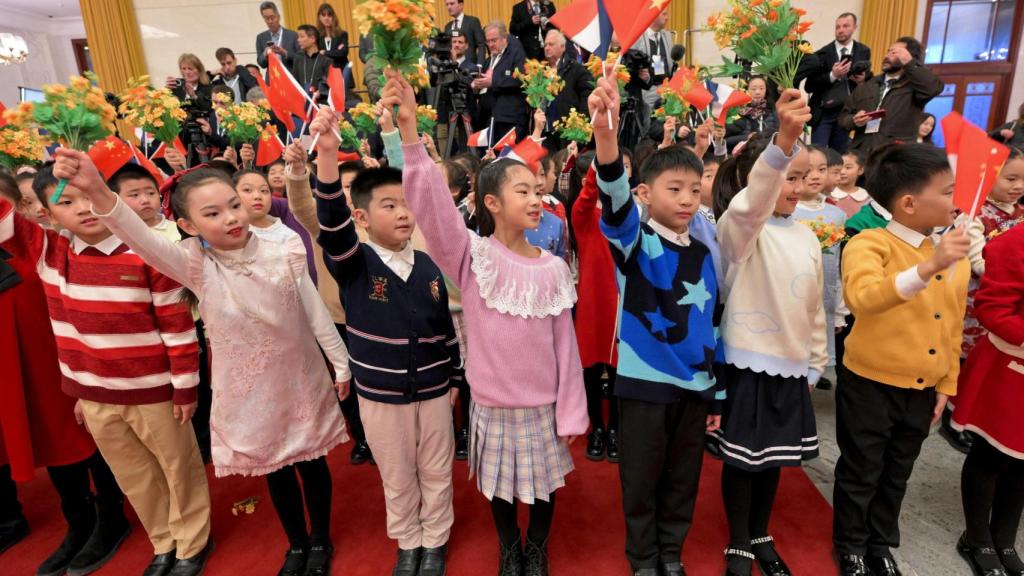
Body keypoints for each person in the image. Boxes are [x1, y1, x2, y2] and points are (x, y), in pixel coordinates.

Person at [75, 154, 351, 576]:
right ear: (187, 225)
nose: (230, 218)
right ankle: (295, 543)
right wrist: (98, 193)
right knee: (274, 466)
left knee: (311, 461)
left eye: (234, 205)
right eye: (212, 214)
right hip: (250, 390)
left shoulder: (284, 246)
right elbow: (137, 236)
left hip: (301, 377)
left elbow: (313, 308)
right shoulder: (193, 263)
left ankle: (320, 540)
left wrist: (340, 362)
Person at [392, 67, 587, 576]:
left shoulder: (552, 269)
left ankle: (537, 548)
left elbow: (565, 346)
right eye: (521, 190)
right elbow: (432, 209)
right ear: (492, 203)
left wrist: (570, 412)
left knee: (543, 491)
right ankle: (509, 548)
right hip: (493, 406)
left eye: (537, 189)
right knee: (501, 489)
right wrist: (411, 135)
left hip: (542, 406)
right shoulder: (471, 257)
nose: (536, 197)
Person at [1, 165, 213, 576]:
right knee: (133, 474)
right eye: (65, 202)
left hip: (154, 391)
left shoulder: (146, 250)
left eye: (89, 196)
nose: (82, 208)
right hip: (95, 395)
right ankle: (163, 541)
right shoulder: (50, 253)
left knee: (178, 469)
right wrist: (80, 391)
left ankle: (192, 542)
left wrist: (185, 388)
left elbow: (178, 327)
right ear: (44, 213)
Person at [310, 104, 460, 576]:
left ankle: (435, 539)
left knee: (437, 468)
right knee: (396, 473)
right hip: (379, 393)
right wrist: (328, 157)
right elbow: (331, 224)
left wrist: (454, 377)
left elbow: (446, 330)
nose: (402, 213)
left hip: (435, 389)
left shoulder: (430, 266)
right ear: (361, 215)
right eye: (389, 205)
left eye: (407, 204)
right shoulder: (354, 263)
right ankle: (409, 539)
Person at [592, 71, 724, 576]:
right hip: (645, 384)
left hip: (695, 386)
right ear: (646, 192)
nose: (688, 198)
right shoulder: (636, 241)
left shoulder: (707, 250)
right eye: (675, 188)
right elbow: (615, 203)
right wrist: (606, 137)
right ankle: (644, 558)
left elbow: (711, 325)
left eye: (695, 188)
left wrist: (716, 393)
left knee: (683, 480)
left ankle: (672, 552)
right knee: (642, 479)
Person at [833, 144, 969, 576]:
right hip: (870, 382)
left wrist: (946, 384)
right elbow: (865, 298)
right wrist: (929, 267)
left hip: (922, 387)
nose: (955, 200)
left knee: (898, 470)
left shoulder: (950, 251)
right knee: (861, 467)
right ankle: (851, 542)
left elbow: (952, 323)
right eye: (946, 192)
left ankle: (879, 540)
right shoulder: (870, 243)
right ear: (909, 203)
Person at [710, 92, 822, 576]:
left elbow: (816, 305)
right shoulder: (741, 229)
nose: (796, 188)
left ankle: (760, 530)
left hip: (793, 365)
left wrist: (816, 361)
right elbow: (752, 204)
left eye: (801, 178)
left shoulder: (808, 235)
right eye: (788, 177)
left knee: (774, 460)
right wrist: (784, 143)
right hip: (748, 362)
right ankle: (738, 537)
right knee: (743, 460)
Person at [0, 173, 131, 576]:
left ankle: (111, 517)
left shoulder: (38, 243)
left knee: (86, 440)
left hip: (67, 365)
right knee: (55, 447)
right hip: (20, 373)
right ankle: (80, 523)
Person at [950, 222, 1024, 576]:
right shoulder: (1014, 242)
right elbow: (992, 308)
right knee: (992, 454)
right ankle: (977, 537)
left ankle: (1005, 538)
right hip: (1010, 364)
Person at [570, 161, 619, 464]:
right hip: (590, 304)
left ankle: (614, 428)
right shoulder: (585, 219)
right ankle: (596, 429)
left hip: (619, 303)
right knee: (589, 368)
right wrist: (595, 169)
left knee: (617, 369)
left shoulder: (629, 216)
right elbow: (585, 199)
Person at [794, 145, 849, 386]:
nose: (815, 175)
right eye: (807, 170)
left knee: (814, 358)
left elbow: (837, 264)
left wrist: (838, 309)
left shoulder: (836, 214)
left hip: (824, 294)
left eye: (821, 169)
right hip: (794, 294)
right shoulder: (788, 210)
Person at [840, 37, 943, 155]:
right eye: (888, 51)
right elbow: (843, 117)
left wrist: (910, 63)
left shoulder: (914, 87)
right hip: (863, 154)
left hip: (895, 156)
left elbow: (933, 88)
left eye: (895, 52)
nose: (887, 55)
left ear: (909, 57)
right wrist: (854, 121)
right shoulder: (869, 84)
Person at [805, 13, 871, 152]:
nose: (840, 30)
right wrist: (833, 75)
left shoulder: (864, 51)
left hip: (848, 112)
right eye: (837, 27)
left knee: (841, 156)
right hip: (824, 112)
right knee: (819, 153)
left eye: (845, 26)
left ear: (854, 27)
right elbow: (809, 85)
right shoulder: (822, 53)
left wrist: (862, 79)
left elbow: (869, 78)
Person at [472, 22, 529, 144]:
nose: (491, 44)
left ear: (504, 38)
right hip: (488, 119)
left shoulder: (516, 54)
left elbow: (521, 79)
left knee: (508, 160)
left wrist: (493, 82)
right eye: (488, 41)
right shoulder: (489, 60)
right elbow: (486, 84)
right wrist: (477, 86)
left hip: (509, 119)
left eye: (494, 40)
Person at [541, 30, 593, 151]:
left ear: (562, 47)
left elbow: (587, 97)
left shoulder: (576, 69)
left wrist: (580, 125)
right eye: (545, 45)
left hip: (568, 132)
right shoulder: (541, 72)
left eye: (551, 44)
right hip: (546, 132)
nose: (547, 48)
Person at [634, 10, 675, 113]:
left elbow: (671, 62)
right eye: (664, 14)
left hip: (667, 90)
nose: (667, 18)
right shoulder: (638, 37)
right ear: (653, 16)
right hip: (647, 92)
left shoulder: (667, 35)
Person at [725, 76, 779, 151]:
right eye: (753, 89)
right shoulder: (737, 111)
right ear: (746, 90)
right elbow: (724, 141)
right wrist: (747, 137)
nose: (758, 92)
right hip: (744, 156)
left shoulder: (773, 111)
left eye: (761, 88)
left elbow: (779, 135)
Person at [256, 1, 299, 68]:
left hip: (289, 75)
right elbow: (261, 63)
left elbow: (300, 58)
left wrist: (284, 53)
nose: (270, 21)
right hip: (272, 76)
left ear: (278, 17)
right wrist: (265, 53)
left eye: (272, 17)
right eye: (266, 18)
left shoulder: (293, 35)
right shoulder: (261, 38)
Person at [444, 0, 486, 65]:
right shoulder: (447, 26)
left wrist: (479, 65)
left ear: (461, 5)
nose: (449, 7)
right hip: (451, 68)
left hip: (470, 68)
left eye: (452, 4)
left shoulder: (473, 22)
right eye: (447, 4)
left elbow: (481, 45)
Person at [291, 25, 328, 97]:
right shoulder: (298, 59)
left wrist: (320, 92)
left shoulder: (325, 60)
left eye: (301, 36)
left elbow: (329, 83)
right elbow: (295, 81)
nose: (298, 40)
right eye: (298, 37)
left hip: (321, 102)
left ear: (312, 39)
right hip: (302, 100)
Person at [831, 149, 870, 217]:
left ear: (860, 170)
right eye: (840, 167)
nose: (842, 172)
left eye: (848, 167)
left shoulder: (866, 197)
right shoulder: (829, 193)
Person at [315, 3, 349, 71]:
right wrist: (334, 52)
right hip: (324, 72)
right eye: (323, 15)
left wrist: (324, 52)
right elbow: (316, 54)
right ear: (319, 17)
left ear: (333, 17)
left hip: (340, 70)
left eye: (329, 15)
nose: (326, 18)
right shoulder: (317, 36)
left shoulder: (342, 34)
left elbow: (343, 52)